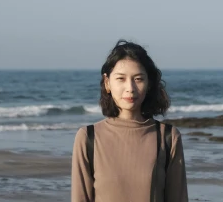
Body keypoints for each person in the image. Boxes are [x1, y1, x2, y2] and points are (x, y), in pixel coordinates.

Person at [71, 40, 188, 202]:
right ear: (107, 83)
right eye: (121, 79)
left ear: (149, 84)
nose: (130, 88)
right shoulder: (88, 138)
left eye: (138, 79)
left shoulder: (168, 137)